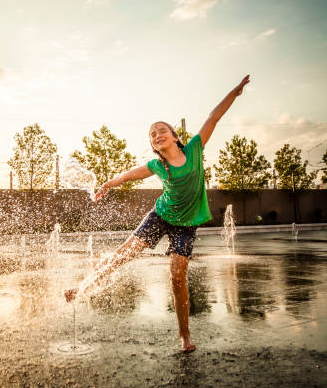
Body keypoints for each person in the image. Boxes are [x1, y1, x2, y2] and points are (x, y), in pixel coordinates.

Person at [65, 75, 250, 351]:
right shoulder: (156, 164)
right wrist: (108, 183)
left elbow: (213, 117)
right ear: (153, 145)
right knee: (121, 256)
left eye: (162, 130)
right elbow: (131, 174)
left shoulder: (196, 149)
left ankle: (184, 335)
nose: (157, 134)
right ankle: (80, 289)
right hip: (160, 216)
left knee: (177, 276)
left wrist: (234, 93)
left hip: (186, 225)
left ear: (175, 137)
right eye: (152, 134)